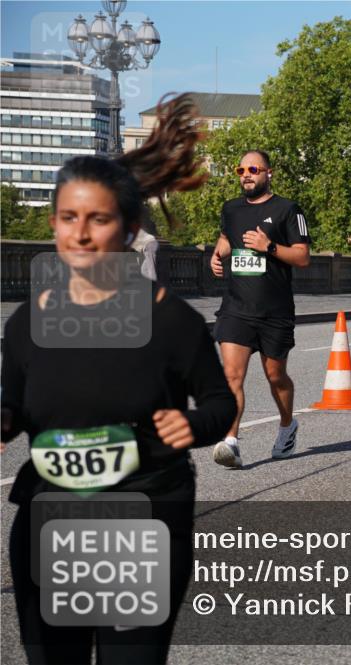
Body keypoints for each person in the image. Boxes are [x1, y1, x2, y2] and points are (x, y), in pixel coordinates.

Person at [1, 94, 237, 665]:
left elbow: (218, 402)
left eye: (98, 219)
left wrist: (192, 424)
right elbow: (11, 405)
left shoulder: (170, 321)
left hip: (143, 518)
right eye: (67, 218)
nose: (80, 235)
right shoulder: (29, 321)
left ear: (129, 230)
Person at [209, 149, 311, 468]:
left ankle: (286, 426)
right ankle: (230, 442)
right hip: (236, 307)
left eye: (253, 169)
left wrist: (268, 246)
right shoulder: (231, 209)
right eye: (241, 170)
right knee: (231, 376)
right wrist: (218, 254)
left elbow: (303, 257)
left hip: (274, 311)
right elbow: (227, 238)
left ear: (269, 173)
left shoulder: (287, 210)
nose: (246, 175)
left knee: (275, 376)